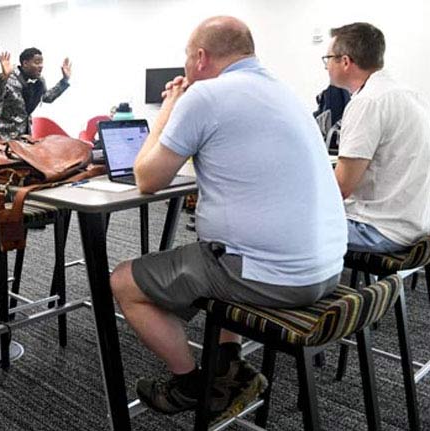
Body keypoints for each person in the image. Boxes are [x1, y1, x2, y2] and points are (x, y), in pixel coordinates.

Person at [108, 16, 347, 425]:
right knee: (213, 249)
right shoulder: (282, 90)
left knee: (123, 281)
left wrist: (170, 106)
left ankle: (190, 383)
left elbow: (147, 177)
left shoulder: (207, 96)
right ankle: (227, 370)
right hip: (327, 268)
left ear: (200, 57)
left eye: (186, 57)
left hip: (274, 275)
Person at [325, 22, 430, 253]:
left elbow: (341, 188)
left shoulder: (368, 102)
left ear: (345, 62)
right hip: (416, 226)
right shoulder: (410, 95)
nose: (326, 66)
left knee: (285, 224)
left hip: (377, 230)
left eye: (328, 58)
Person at [0, 48, 71, 142]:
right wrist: (4, 77)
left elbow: (47, 98)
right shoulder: (9, 76)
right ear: (25, 63)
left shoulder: (39, 80)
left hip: (23, 135)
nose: (41, 66)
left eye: (41, 63)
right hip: (2, 135)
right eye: (37, 62)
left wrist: (64, 81)